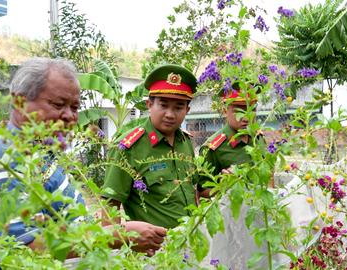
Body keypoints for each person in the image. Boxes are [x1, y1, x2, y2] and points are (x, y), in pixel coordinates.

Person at [0, 57, 165, 256]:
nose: (70, 116)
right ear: (20, 101)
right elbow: (24, 249)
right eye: (58, 104)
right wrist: (116, 237)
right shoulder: (8, 160)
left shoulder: (39, 153)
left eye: (74, 107)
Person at [102, 64, 197, 229]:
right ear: (149, 105)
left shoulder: (186, 142)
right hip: (155, 250)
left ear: (187, 110)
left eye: (178, 107)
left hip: (192, 242)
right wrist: (116, 243)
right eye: (163, 105)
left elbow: (193, 189)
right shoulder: (129, 148)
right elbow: (110, 204)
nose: (170, 114)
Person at [198, 83, 267, 269]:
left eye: (251, 109)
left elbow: (269, 177)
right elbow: (200, 191)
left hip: (261, 217)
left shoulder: (259, 139)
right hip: (230, 223)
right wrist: (222, 183)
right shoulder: (214, 147)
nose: (246, 116)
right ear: (225, 110)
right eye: (238, 110)